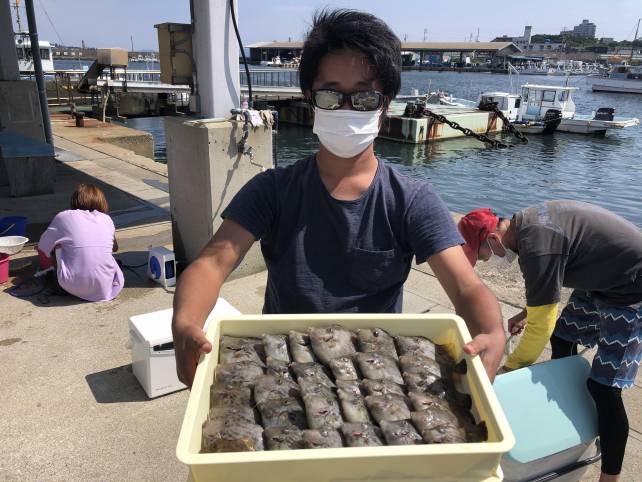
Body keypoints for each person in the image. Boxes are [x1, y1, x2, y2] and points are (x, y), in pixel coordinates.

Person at [172, 9, 504, 388]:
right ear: (309, 98)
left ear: (385, 103)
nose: (347, 109)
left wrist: (491, 330)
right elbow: (211, 264)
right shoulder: (272, 190)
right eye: (330, 95)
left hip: (376, 374)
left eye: (364, 97)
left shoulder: (412, 201)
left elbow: (465, 286)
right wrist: (186, 321)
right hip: (286, 366)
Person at [458, 201, 642, 482]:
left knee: (604, 387)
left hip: (632, 286)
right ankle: (567, 419)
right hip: (600, 277)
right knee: (562, 337)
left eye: (482, 257)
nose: (484, 262)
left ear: (493, 239)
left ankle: (609, 477)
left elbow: (540, 328)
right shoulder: (525, 227)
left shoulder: (537, 247)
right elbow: (548, 285)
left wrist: (507, 370)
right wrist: (528, 312)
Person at [38, 183, 124, 302]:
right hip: (104, 287)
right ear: (102, 202)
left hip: (71, 285)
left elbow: (42, 246)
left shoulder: (63, 217)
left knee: (57, 246)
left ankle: (59, 286)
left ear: (75, 201)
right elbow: (115, 248)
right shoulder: (107, 219)